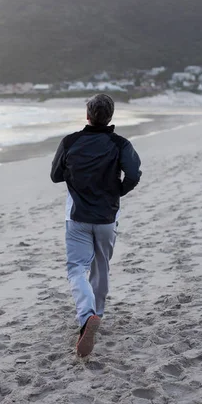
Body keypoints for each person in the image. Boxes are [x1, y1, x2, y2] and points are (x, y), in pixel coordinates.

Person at [50, 94, 142, 357]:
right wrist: (117, 192)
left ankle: (86, 316)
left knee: (76, 269)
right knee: (100, 266)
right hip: (106, 217)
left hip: (77, 216)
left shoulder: (71, 141)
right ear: (110, 116)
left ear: (87, 115)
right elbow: (134, 174)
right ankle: (96, 315)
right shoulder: (120, 143)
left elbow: (55, 176)